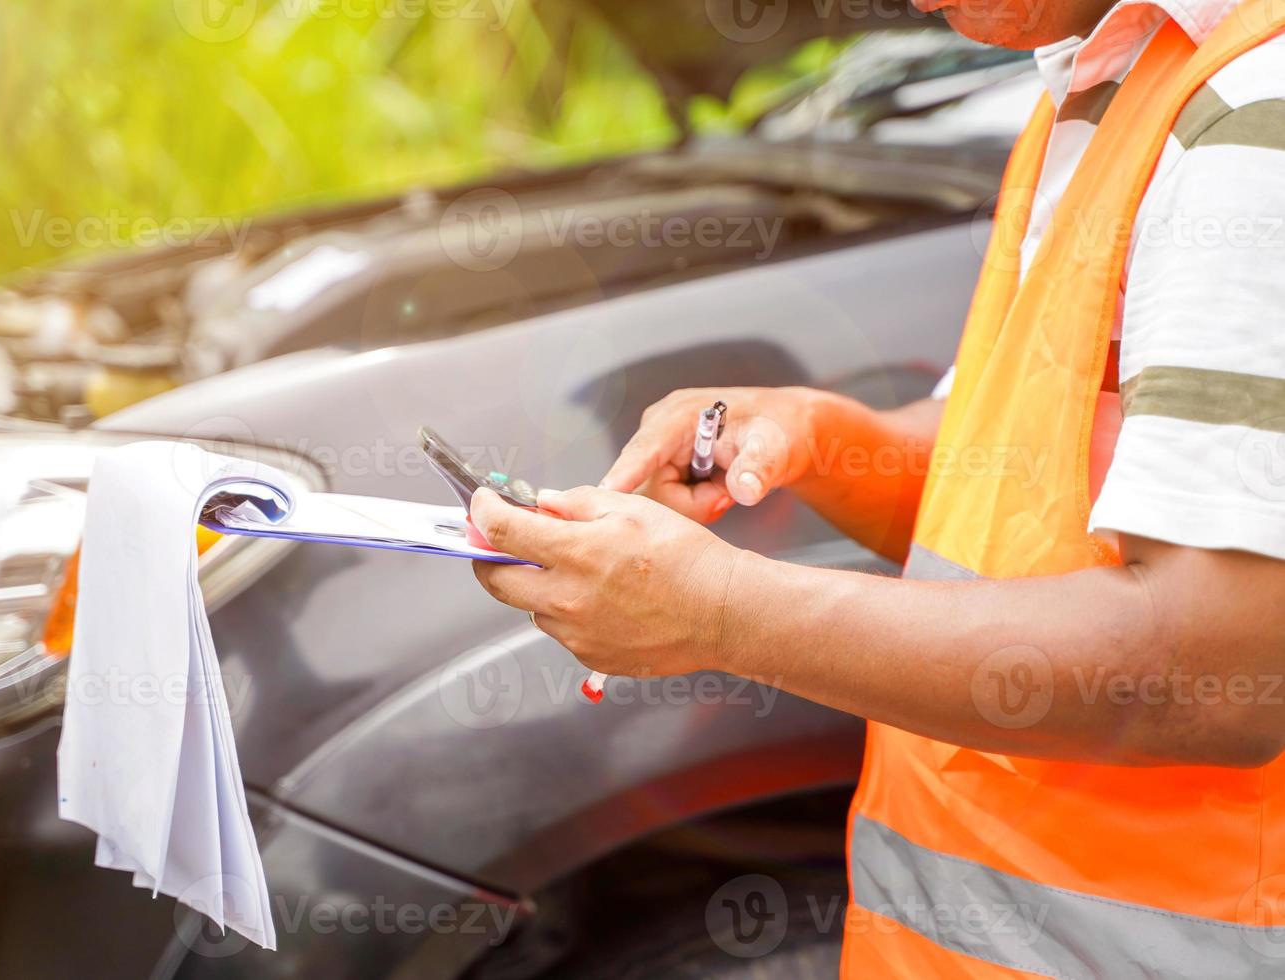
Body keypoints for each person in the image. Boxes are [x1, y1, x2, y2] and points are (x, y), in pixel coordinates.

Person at [469, 0, 1285, 973]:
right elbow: (1009, 493)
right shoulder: (1107, 77)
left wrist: (724, 612)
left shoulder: (1251, 118)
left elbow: (1215, 668)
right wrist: (819, 439)